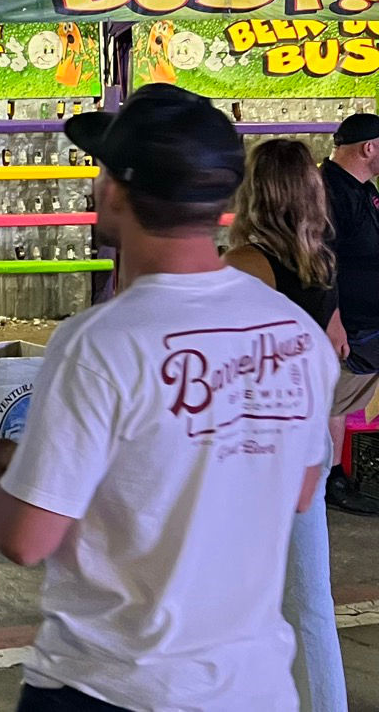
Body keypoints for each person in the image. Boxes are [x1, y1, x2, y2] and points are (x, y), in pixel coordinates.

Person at [0, 85, 336, 712]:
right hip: (254, 688)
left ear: (114, 189)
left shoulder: (100, 342)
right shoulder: (297, 337)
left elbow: (27, 538)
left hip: (110, 685)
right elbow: (291, 488)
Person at [223, 138, 349, 712]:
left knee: (229, 596)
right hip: (305, 438)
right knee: (311, 600)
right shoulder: (319, 260)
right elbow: (331, 346)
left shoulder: (247, 266)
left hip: (251, 447)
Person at [322, 112, 379, 515]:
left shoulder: (363, 189)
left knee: (339, 402)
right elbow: (321, 262)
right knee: (333, 402)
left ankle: (334, 477)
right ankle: (330, 479)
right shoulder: (326, 192)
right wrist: (333, 319)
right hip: (349, 326)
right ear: (369, 148)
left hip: (367, 321)